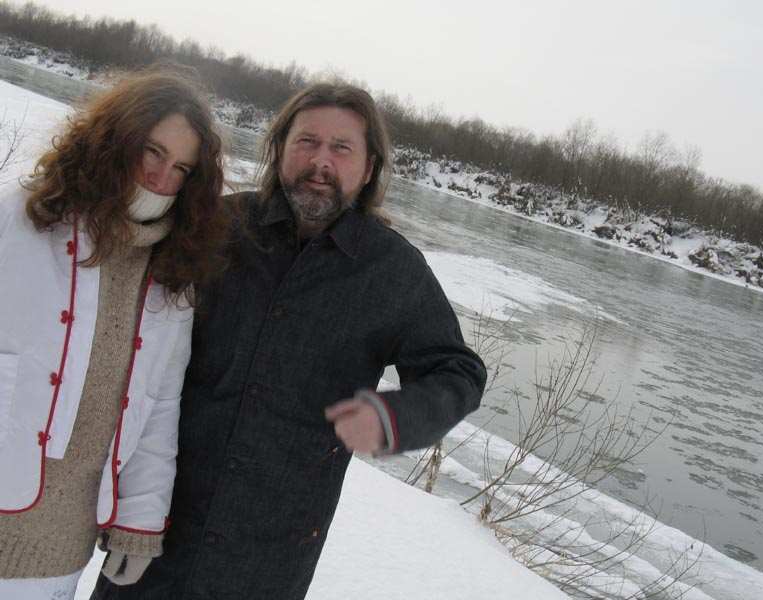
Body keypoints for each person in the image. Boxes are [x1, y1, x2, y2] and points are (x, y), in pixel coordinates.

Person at [92, 83, 487, 600]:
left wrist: (396, 417)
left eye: (341, 148)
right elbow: (126, 300)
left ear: (369, 168)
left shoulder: (393, 272)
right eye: (307, 142)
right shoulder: (218, 225)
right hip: (156, 531)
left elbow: (458, 372)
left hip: (268, 562)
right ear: (279, 148)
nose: (321, 161)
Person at [0, 66, 227, 600]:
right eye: (152, 151)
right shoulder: (22, 218)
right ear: (115, 139)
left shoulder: (173, 277)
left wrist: (140, 523)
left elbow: (159, 405)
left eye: (181, 168)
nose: (161, 177)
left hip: (57, 553)